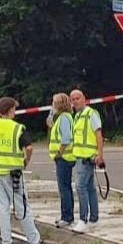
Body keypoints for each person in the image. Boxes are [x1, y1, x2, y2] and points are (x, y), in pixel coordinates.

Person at [0, 97, 52, 244]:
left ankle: (7, 243)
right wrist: (25, 163)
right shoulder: (18, 128)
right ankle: (35, 242)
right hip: (13, 173)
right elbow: (29, 148)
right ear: (11, 110)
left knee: (2, 208)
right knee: (22, 208)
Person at [69, 89, 104, 234]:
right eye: (73, 99)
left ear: (84, 99)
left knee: (80, 187)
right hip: (81, 157)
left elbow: (98, 135)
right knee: (89, 188)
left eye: (78, 98)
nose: (76, 101)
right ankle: (94, 219)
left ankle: (83, 219)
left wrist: (100, 155)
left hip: (87, 158)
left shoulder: (90, 114)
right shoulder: (77, 116)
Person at [47, 93, 76, 228]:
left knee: (64, 188)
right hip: (65, 157)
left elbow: (66, 138)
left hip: (64, 158)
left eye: (54, 102)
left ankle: (67, 217)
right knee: (66, 187)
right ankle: (67, 215)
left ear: (58, 104)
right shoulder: (64, 118)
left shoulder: (64, 118)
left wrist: (60, 152)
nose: (52, 105)